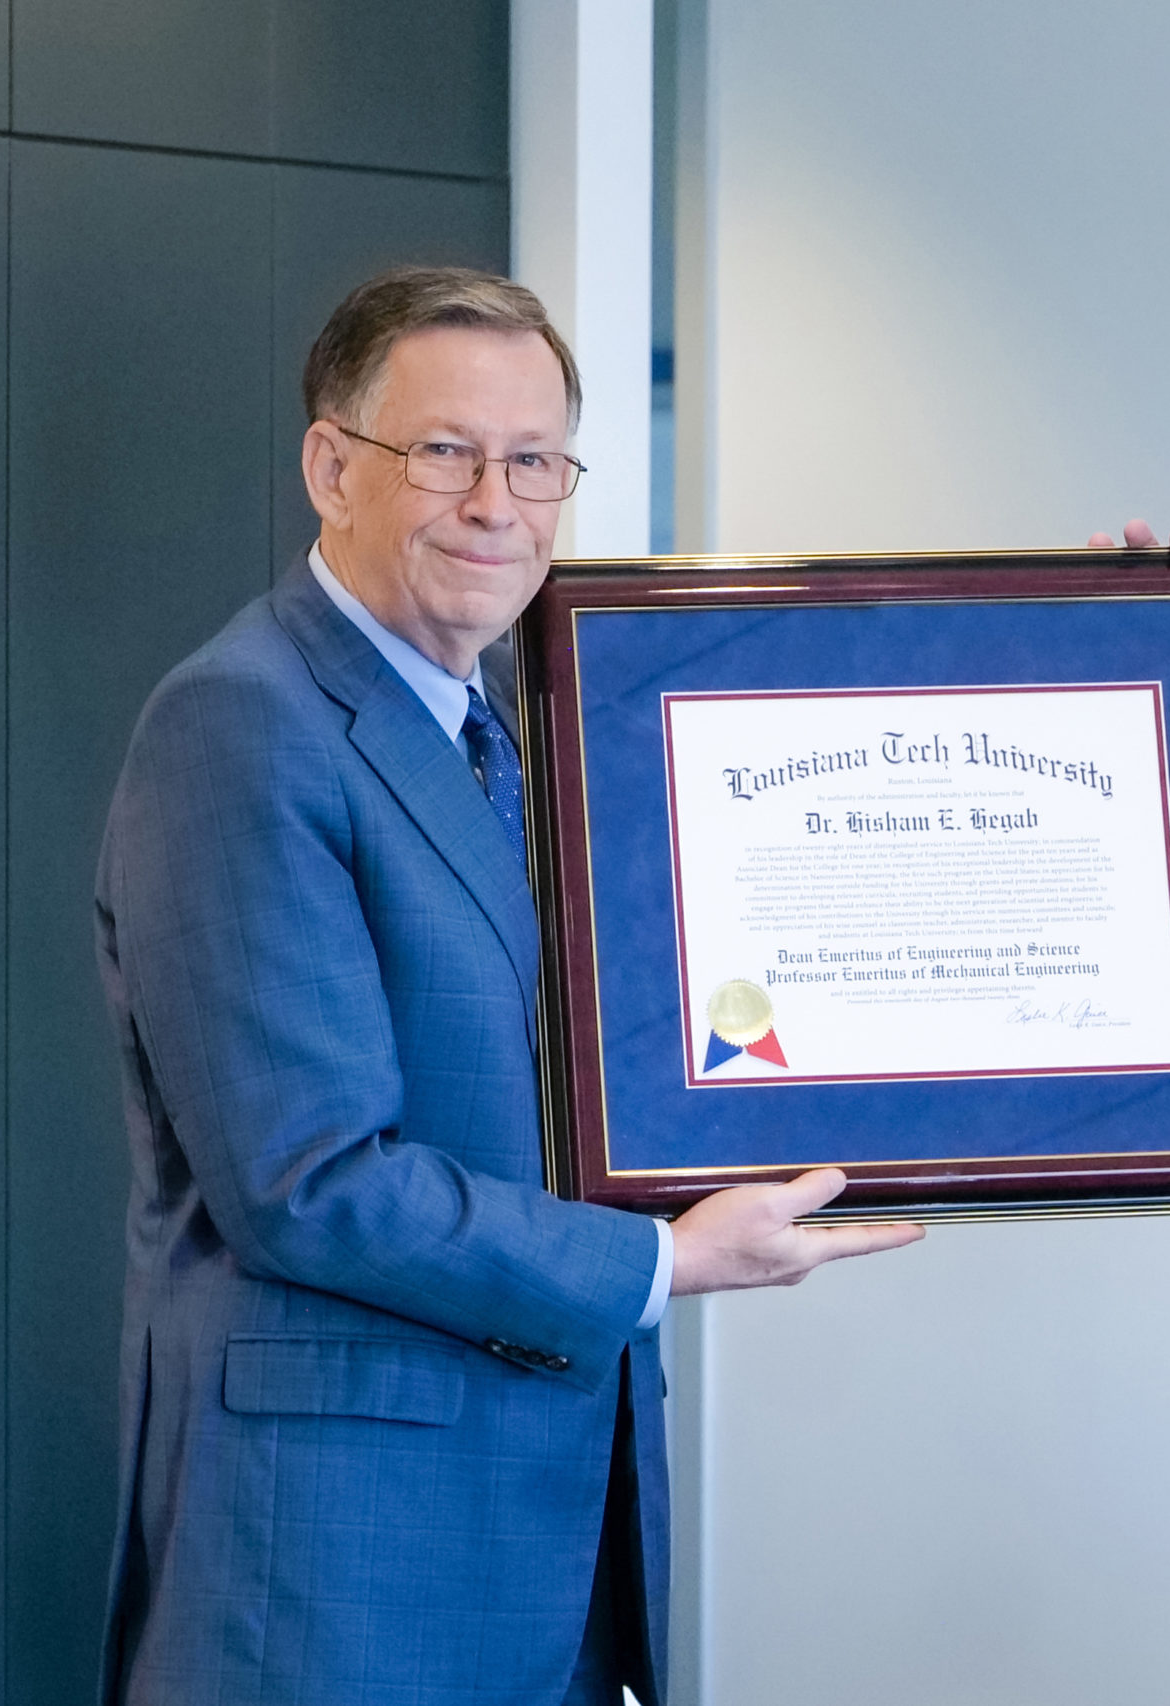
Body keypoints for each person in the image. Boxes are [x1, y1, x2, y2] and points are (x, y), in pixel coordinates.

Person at [93, 266, 923, 1705]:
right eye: (447, 452)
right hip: (340, 1569)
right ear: (330, 465)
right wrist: (670, 1260)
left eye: (535, 460)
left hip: (531, 1532)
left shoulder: (528, 733)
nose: (497, 502)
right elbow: (310, 1179)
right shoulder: (242, 724)